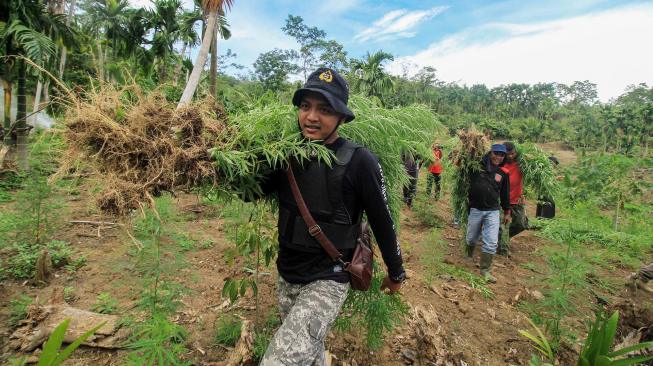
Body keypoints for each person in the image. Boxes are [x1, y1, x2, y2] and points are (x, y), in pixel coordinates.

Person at [257, 68, 406, 366]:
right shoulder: (286, 153)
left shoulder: (360, 161)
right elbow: (253, 191)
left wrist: (396, 271)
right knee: (310, 353)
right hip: (287, 272)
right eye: (305, 106)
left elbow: (382, 220)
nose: (311, 117)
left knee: (280, 361)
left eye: (324, 109)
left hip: (328, 278)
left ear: (341, 117)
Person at [464, 144, 511, 283]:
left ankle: (485, 270)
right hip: (475, 209)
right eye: (496, 153)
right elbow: (462, 163)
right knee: (471, 238)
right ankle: (468, 255)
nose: (498, 157)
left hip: (493, 210)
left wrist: (507, 211)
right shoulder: (477, 166)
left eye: (502, 155)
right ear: (490, 153)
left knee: (491, 242)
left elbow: (505, 194)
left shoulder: (503, 173)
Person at [497, 142, 529, 256]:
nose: (510, 156)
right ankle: (502, 250)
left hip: (517, 200)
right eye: (508, 154)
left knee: (521, 224)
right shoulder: (499, 164)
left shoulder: (522, 164)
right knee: (504, 225)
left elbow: (535, 165)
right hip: (502, 201)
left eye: (513, 154)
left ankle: (499, 238)